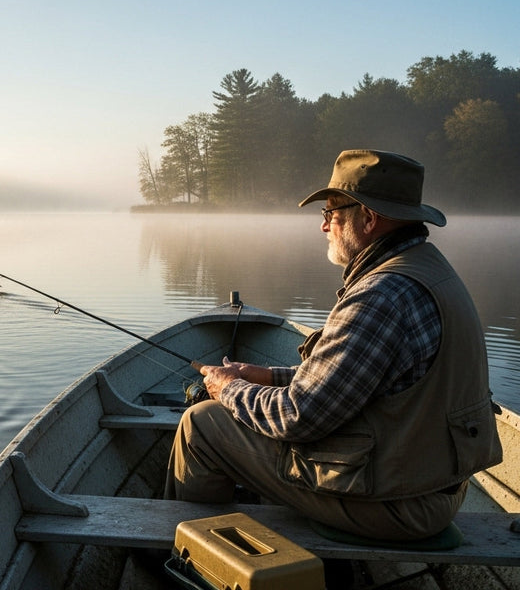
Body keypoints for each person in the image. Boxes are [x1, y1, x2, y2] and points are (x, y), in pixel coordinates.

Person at [165, 149, 502, 541]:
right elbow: (362, 378)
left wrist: (228, 389)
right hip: (433, 487)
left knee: (201, 425)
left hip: (396, 505)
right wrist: (268, 376)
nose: (324, 227)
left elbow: (298, 417)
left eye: (331, 214)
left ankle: (192, 556)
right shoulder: (427, 268)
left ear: (369, 219)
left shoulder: (380, 296)